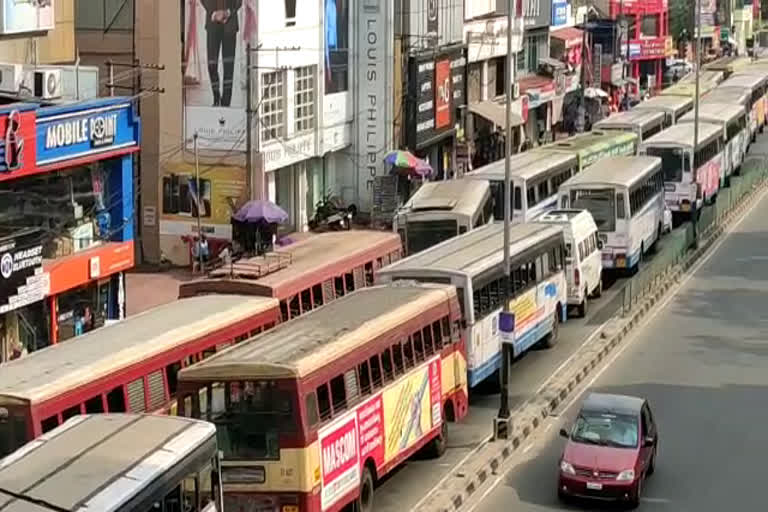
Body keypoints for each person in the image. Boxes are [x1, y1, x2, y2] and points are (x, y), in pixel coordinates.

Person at [201, 0, 242, 107]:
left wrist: (227, 13)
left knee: (228, 67)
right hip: (213, 22)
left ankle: (226, 103)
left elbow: (238, 2)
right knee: (211, 64)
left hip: (230, 24)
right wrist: (214, 13)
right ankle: (216, 96)